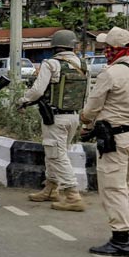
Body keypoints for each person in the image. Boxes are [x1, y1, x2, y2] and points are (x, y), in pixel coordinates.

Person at [79, 27, 129, 257]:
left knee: (112, 187)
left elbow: (92, 107)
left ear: (118, 49)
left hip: (115, 138)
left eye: (108, 47)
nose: (105, 51)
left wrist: (86, 123)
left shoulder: (110, 73)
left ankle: (120, 239)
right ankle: (127, 232)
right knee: (127, 187)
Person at [18, 29, 87, 211]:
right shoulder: (83, 64)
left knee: (57, 156)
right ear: (72, 46)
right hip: (74, 117)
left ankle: (72, 196)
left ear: (55, 46)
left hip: (55, 117)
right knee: (55, 153)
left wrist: (23, 100)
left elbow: (38, 90)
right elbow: (86, 94)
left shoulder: (51, 64)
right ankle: (50, 188)